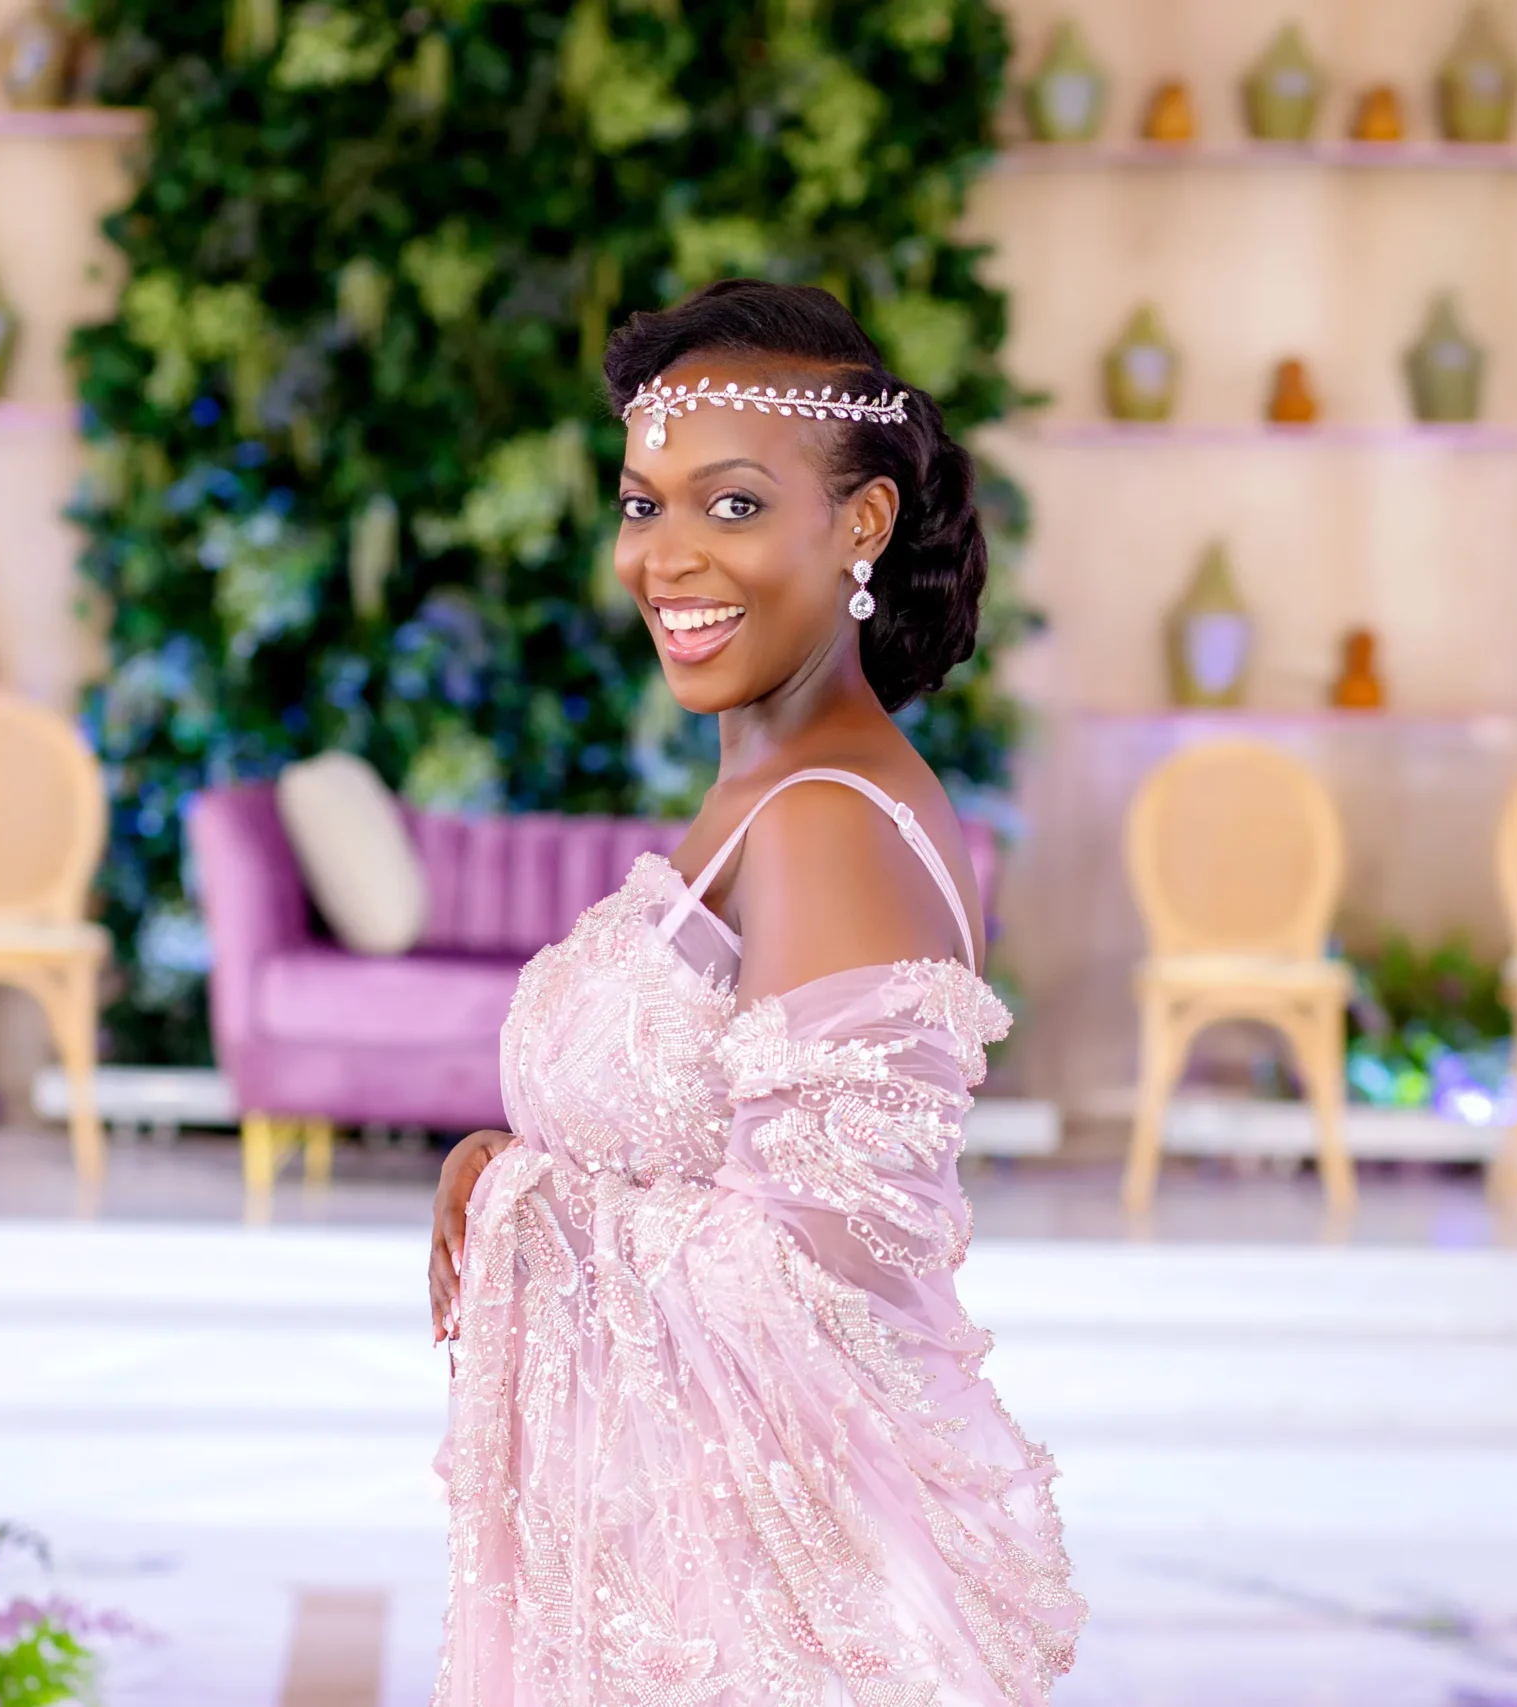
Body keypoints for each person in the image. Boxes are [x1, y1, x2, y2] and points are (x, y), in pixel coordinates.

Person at [428, 279, 1083, 1705]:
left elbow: (817, 1287)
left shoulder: (826, 821)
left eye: (731, 505)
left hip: (784, 1629)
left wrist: (533, 1205)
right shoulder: (768, 794)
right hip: (694, 1588)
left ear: (862, 523)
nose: (666, 557)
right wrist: (518, 1163)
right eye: (641, 504)